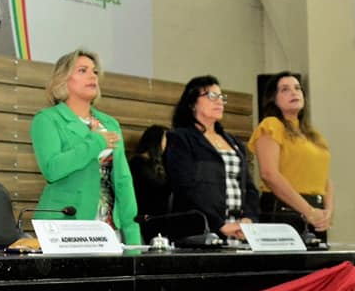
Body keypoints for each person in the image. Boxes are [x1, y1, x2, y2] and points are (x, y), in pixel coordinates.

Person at [29, 50, 141, 244]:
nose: (92, 76)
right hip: (65, 225)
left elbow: (123, 181)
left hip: (109, 228)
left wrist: (132, 233)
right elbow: (53, 169)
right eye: (83, 70)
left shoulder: (110, 123)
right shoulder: (47, 119)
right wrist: (96, 142)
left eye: (95, 72)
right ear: (62, 80)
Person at [165, 75, 259, 240]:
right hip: (201, 231)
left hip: (239, 232)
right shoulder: (180, 139)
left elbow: (250, 188)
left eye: (221, 97)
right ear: (192, 103)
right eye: (211, 96)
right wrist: (218, 224)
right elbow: (184, 188)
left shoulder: (235, 143)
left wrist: (248, 220)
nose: (219, 101)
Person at [248, 72, 332, 242]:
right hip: (283, 208)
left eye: (297, 88)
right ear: (274, 99)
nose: (294, 93)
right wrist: (308, 211)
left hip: (316, 211)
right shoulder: (271, 125)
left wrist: (327, 212)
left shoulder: (313, 135)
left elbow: (325, 179)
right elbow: (269, 174)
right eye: (285, 90)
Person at [128, 125, 171, 220]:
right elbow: (157, 187)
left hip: (158, 216)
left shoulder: (159, 164)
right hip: (145, 216)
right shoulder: (138, 162)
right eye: (165, 140)